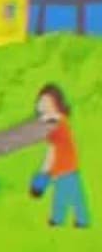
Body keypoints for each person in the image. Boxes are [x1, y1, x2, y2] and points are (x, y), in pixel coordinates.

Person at [31, 84, 90, 228]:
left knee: (65, 195)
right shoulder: (57, 122)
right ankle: (77, 220)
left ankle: (61, 220)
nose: (42, 106)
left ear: (56, 104)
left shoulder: (55, 122)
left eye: (46, 103)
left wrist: (43, 173)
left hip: (64, 167)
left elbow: (52, 151)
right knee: (72, 194)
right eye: (41, 102)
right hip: (67, 166)